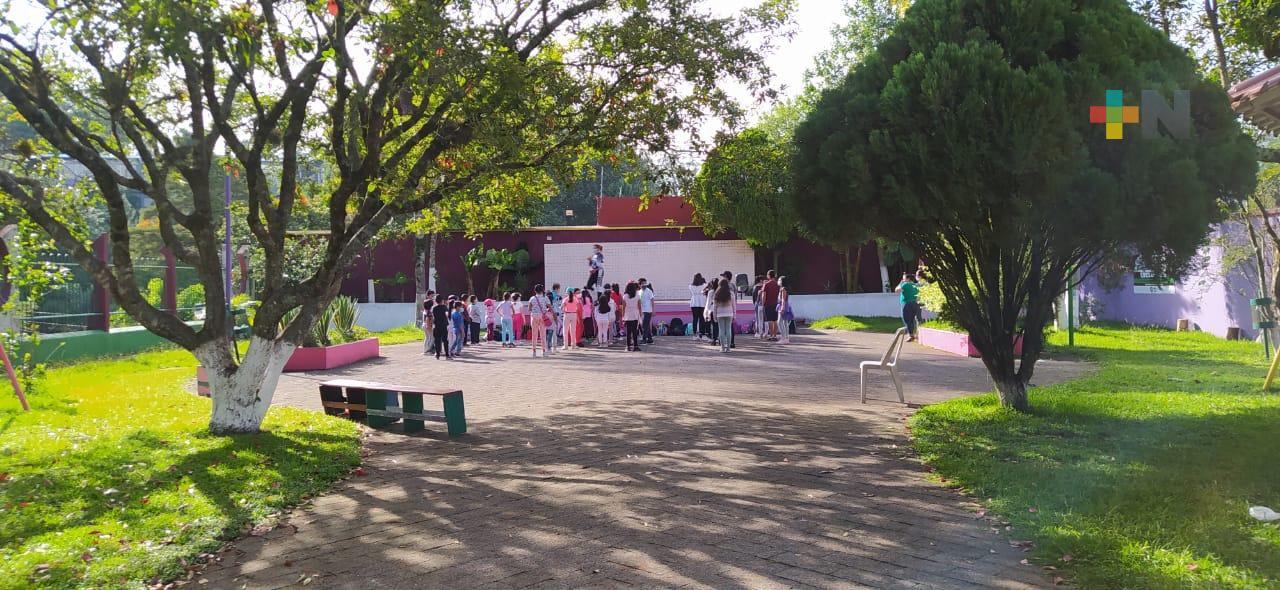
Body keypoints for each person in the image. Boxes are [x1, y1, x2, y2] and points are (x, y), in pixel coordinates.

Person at [896, 272, 921, 341]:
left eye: (904, 278)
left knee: (907, 319)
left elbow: (897, 290)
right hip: (915, 303)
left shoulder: (905, 284)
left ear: (908, 279)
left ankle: (911, 335)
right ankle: (914, 334)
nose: (903, 279)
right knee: (913, 319)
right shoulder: (916, 285)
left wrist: (900, 283)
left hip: (906, 303)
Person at [712, 279, 736, 353]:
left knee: (721, 330)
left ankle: (722, 348)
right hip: (729, 313)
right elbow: (734, 305)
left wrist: (714, 315)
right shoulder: (731, 293)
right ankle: (728, 348)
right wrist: (734, 314)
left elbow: (714, 306)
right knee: (728, 330)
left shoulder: (717, 294)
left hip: (720, 313)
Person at [528, 285, 551, 357]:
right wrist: (546, 310)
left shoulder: (532, 298)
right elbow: (550, 307)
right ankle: (544, 351)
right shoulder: (545, 298)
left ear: (535, 291)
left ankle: (534, 351)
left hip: (534, 316)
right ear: (542, 290)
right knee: (543, 335)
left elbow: (529, 308)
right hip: (542, 316)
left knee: (534, 335)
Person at [622, 281, 642, 351]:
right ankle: (635, 346)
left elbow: (623, 307)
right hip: (635, 315)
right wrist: (641, 315)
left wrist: (623, 316)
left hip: (628, 315)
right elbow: (639, 307)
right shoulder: (637, 295)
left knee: (628, 332)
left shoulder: (625, 296)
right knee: (635, 332)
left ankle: (628, 347)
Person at [761, 270, 781, 341]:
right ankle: (775, 336)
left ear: (768, 275)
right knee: (775, 320)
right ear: (774, 275)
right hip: (776, 304)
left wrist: (763, 304)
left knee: (769, 320)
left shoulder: (766, 284)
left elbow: (764, 295)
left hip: (768, 304)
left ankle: (771, 335)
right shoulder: (778, 285)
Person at [720, 271, 737, 348]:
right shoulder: (733, 285)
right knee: (729, 327)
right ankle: (731, 342)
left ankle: (724, 344)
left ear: (726, 277)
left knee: (723, 329)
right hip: (730, 308)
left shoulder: (724, 286)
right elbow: (734, 298)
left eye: (723, 276)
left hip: (723, 309)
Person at [430, 294, 451, 359]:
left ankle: (437, 354)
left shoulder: (434, 308)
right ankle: (447, 354)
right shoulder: (444, 307)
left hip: (436, 326)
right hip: (443, 325)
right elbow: (447, 315)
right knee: (445, 340)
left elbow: (432, 317)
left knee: (437, 340)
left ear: (435, 301)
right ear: (442, 300)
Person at [688, 273, 707, 340]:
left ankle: (695, 334)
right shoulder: (704, 285)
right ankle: (702, 334)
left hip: (694, 303)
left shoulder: (690, 286)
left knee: (695, 319)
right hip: (702, 303)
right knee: (702, 318)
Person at [638, 278, 655, 344]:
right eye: (642, 284)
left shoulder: (649, 291)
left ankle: (644, 339)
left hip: (648, 310)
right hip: (642, 310)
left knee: (644, 325)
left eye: (645, 283)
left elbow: (652, 301)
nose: (644, 285)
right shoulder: (639, 292)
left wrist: (653, 310)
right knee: (646, 325)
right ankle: (650, 339)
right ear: (640, 285)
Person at [777, 276, 794, 344]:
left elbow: (783, 300)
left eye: (779, 280)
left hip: (783, 306)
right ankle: (786, 338)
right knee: (785, 323)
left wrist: (782, 308)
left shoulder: (783, 289)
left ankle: (783, 338)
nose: (778, 281)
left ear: (782, 281)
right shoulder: (785, 289)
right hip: (785, 306)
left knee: (779, 322)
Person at [548, 283, 563, 351]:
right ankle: (554, 347)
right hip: (555, 313)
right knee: (554, 330)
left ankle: (549, 346)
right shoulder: (555, 295)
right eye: (559, 288)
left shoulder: (549, 294)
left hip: (549, 313)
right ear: (557, 288)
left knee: (549, 330)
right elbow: (556, 304)